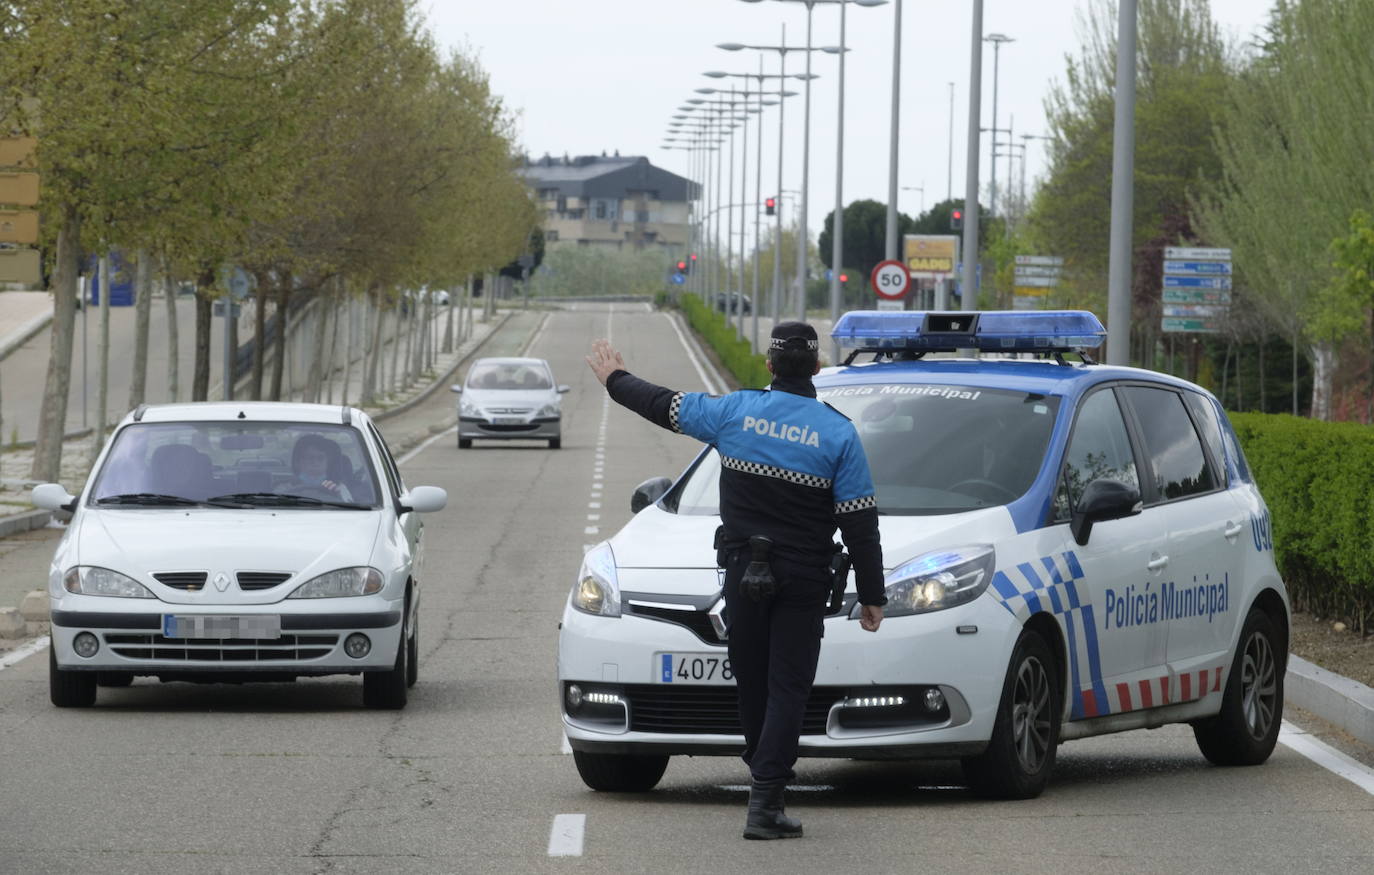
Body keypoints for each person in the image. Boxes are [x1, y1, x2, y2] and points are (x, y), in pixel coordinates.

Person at [586, 322, 885, 841]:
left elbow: (662, 404)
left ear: (770, 365)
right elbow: (860, 523)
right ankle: (766, 798)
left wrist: (615, 378)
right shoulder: (838, 433)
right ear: (817, 368)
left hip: (744, 573)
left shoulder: (734, 412)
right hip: (803, 579)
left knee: (750, 680)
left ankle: (762, 778)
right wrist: (873, 595)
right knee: (787, 686)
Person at [280, 434, 354, 502]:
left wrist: (338, 495)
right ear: (298, 462)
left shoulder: (339, 488)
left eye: (320, 458)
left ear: (327, 462)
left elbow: (351, 512)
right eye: (309, 457)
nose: (315, 462)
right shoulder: (284, 488)